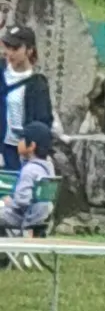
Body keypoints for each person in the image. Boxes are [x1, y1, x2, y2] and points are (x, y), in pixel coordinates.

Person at [2, 30, 56, 235]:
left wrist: (31, 141)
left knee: (20, 196)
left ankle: (20, 240)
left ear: (29, 50)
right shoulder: (1, 73)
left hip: (24, 150)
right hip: (3, 147)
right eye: (7, 47)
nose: (9, 52)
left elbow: (43, 121)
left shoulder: (37, 83)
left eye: (15, 48)